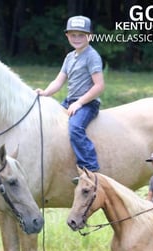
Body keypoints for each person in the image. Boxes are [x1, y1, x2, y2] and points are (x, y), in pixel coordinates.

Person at [35, 15, 104, 173]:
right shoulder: (69, 57)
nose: (77, 38)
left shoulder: (92, 56)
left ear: (90, 36)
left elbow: (99, 86)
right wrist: (45, 93)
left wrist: (80, 102)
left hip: (87, 103)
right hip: (70, 100)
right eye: (73, 35)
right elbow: (58, 81)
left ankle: (90, 168)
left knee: (75, 128)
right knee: (48, 121)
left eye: (81, 35)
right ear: (67, 36)